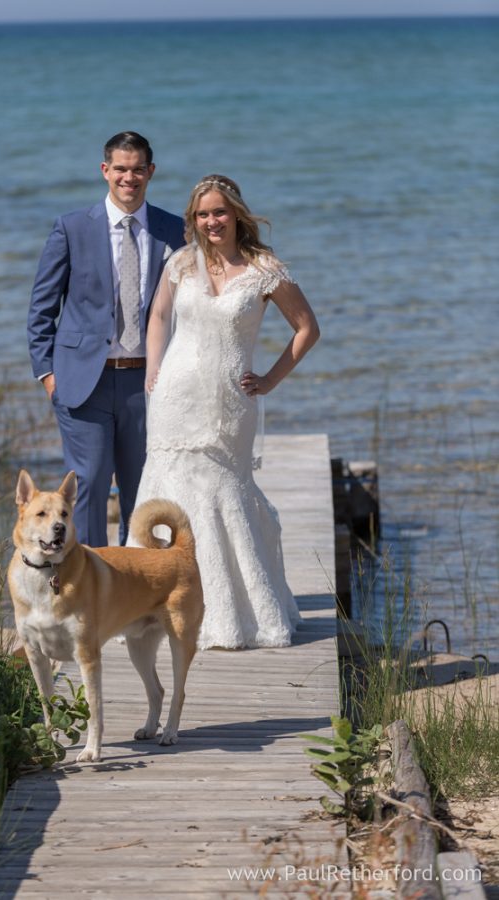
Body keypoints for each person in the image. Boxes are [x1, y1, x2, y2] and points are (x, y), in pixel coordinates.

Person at [131, 174, 320, 650]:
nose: (211, 221)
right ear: (193, 220)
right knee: (169, 488)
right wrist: (153, 369)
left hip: (229, 405)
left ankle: (227, 615)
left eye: (219, 212)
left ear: (236, 213)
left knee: (220, 495)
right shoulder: (182, 264)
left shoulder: (265, 269)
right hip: (175, 397)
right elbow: (157, 318)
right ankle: (150, 606)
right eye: (202, 214)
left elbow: (306, 329)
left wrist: (270, 380)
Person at [27, 132, 185, 546]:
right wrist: (48, 375)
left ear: (150, 172)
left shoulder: (175, 231)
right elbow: (42, 309)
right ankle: (94, 587)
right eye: (120, 169)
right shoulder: (72, 228)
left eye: (137, 169)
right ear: (105, 171)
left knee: (144, 488)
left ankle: (136, 585)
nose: (128, 177)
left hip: (147, 382)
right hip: (83, 382)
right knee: (90, 487)